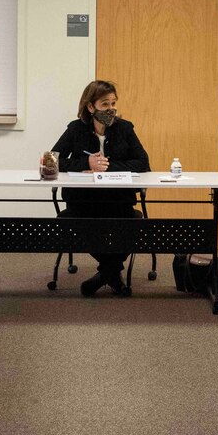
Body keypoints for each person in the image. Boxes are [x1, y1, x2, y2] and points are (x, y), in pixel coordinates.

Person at [52, 80, 150, 296]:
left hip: (119, 201)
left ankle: (105, 274)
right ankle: (112, 274)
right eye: (105, 104)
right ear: (90, 107)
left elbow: (143, 163)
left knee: (134, 223)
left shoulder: (125, 128)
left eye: (113, 103)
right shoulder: (75, 129)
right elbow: (53, 160)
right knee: (72, 222)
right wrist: (86, 164)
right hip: (83, 201)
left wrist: (107, 167)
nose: (111, 109)